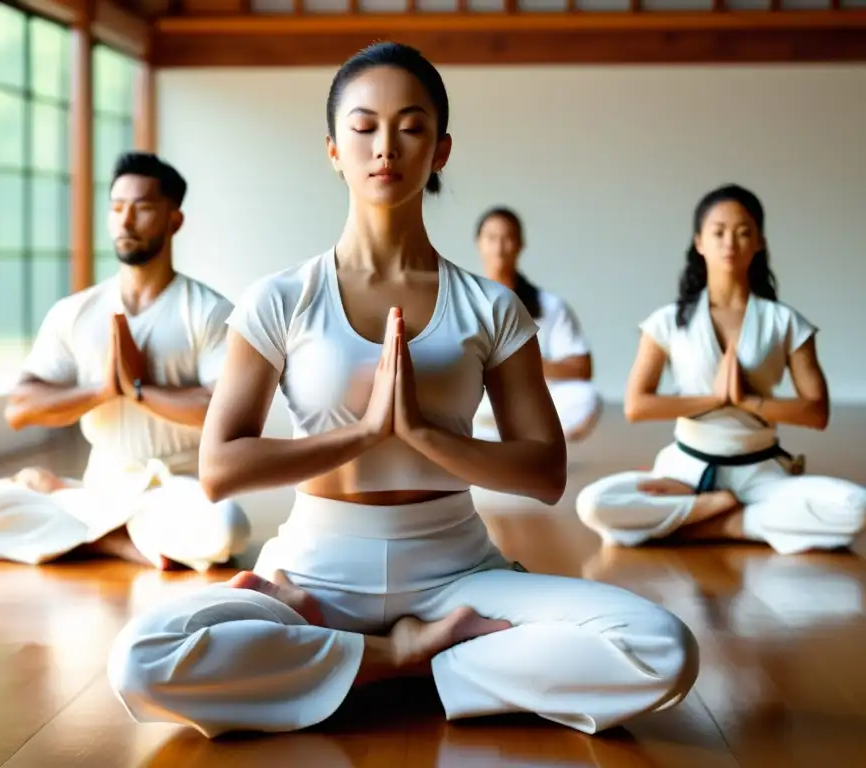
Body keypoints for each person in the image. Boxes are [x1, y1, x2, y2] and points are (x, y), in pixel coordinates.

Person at [105, 42, 698, 739]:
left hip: (456, 571)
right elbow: (219, 468)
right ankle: (407, 658)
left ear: (441, 150)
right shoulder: (281, 297)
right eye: (363, 127)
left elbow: (544, 473)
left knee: (661, 647)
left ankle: (350, 668)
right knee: (140, 660)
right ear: (332, 149)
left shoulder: (490, 306)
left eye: (411, 126)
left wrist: (423, 434)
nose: (385, 146)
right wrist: (362, 433)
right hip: (312, 576)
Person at [0, 152, 251, 572]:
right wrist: (103, 391)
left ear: (174, 220)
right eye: (117, 208)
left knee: (228, 528)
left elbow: (223, 414)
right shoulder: (76, 312)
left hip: (175, 489)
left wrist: (140, 390)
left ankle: (80, 521)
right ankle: (118, 541)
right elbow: (20, 409)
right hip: (101, 488)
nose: (126, 221)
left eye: (142, 208)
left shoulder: (207, 312)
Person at [576, 184, 866, 555]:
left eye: (744, 232)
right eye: (718, 232)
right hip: (683, 473)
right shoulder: (667, 321)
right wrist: (714, 399)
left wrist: (748, 402)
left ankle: (709, 524)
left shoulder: (785, 322)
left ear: (760, 242)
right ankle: (727, 515)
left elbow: (816, 412)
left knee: (854, 508)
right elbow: (637, 406)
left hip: (762, 473)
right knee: (594, 503)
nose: (731, 241)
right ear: (699, 242)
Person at [472, 206, 602, 443]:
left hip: (531, 404)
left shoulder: (549, 306)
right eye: (491, 238)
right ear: (479, 243)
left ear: (520, 244)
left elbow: (582, 368)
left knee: (585, 397)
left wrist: (522, 363)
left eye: (507, 238)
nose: (499, 248)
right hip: (478, 407)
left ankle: (533, 443)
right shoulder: (461, 301)